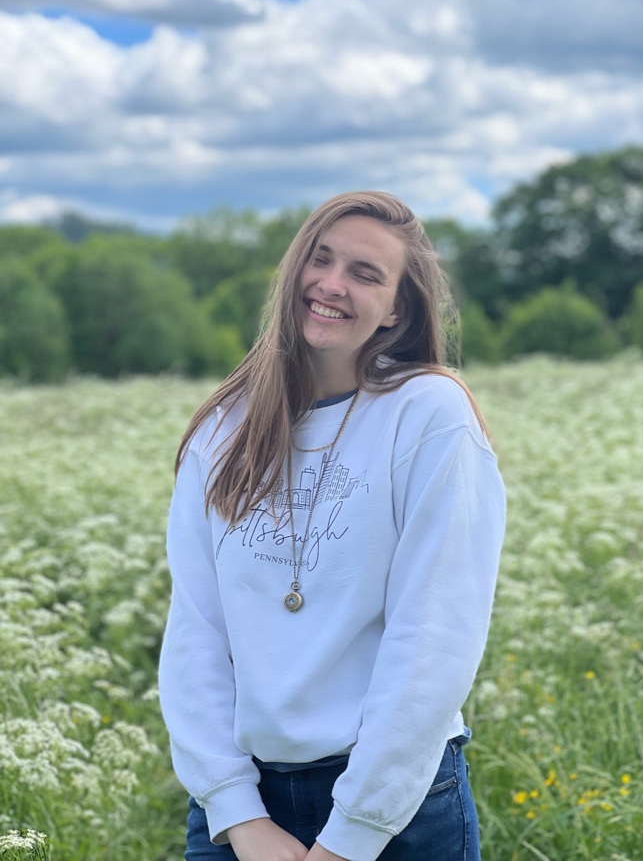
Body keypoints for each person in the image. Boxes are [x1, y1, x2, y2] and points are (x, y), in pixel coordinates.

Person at [158, 191, 506, 861]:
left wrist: (353, 833)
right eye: (320, 260)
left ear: (397, 309)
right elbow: (195, 632)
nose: (332, 284)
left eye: (365, 274)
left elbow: (434, 638)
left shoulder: (429, 415)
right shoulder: (222, 429)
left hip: (399, 809)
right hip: (242, 811)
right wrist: (236, 812)